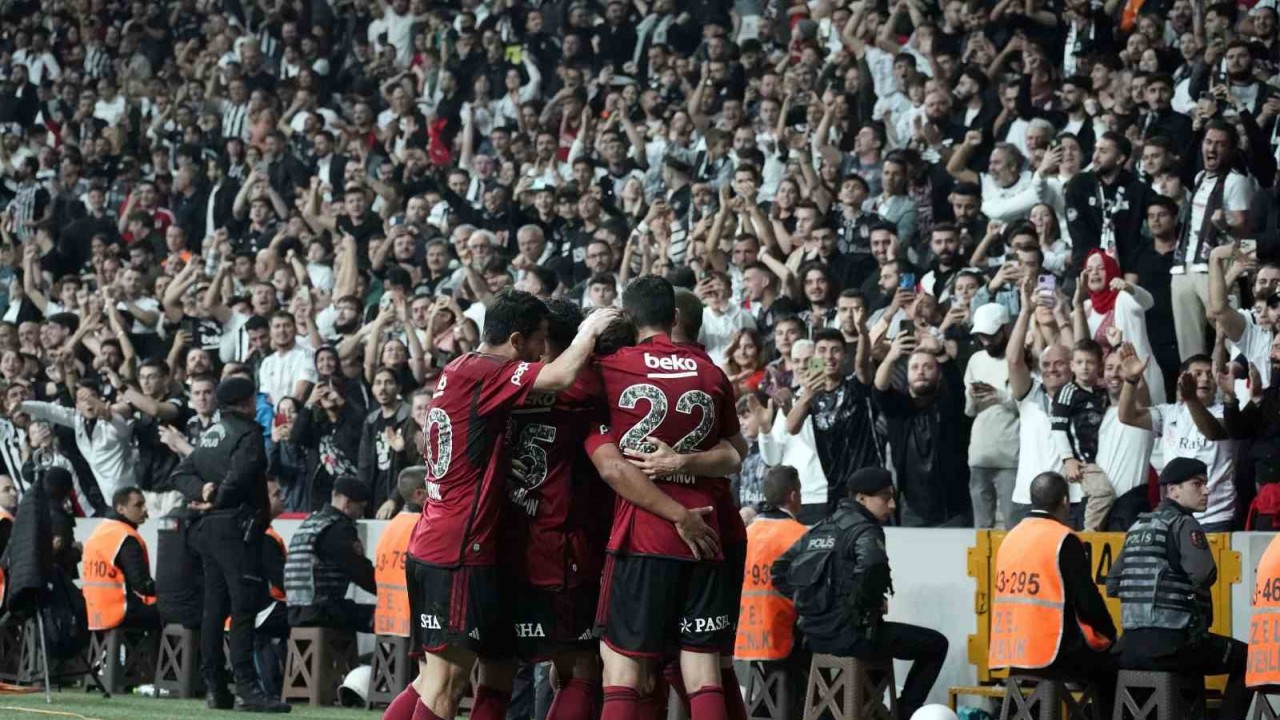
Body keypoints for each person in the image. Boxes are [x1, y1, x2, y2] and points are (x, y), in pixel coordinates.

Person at [389, 291, 618, 720]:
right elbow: (563, 376)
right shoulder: (492, 373)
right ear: (517, 340)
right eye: (536, 343)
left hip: (442, 540)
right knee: (445, 686)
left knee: (449, 677)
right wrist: (589, 331)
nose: (537, 356)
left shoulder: (457, 368)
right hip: (462, 548)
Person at [587, 275, 742, 720]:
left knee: (623, 670)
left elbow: (612, 466)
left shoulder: (610, 369)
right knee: (703, 670)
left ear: (628, 318)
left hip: (644, 538)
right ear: (675, 318)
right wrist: (683, 462)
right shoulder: (711, 371)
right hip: (705, 536)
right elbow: (736, 454)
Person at [772, 468, 948, 719]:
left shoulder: (822, 527)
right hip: (851, 637)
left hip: (815, 636)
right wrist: (865, 603)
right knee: (936, 644)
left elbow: (779, 569)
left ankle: (868, 709)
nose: (892, 505)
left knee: (878, 642)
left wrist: (809, 601)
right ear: (862, 499)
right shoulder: (866, 529)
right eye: (885, 497)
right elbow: (872, 565)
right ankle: (904, 712)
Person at [171, 375, 290, 713]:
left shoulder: (211, 435)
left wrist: (205, 493)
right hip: (237, 527)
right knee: (243, 606)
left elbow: (180, 475)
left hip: (209, 529)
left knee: (215, 607)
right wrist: (220, 497)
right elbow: (242, 473)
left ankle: (216, 687)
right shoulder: (248, 432)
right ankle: (248, 688)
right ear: (248, 401)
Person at [1106, 458, 1249, 719]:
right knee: (1248, 659)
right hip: (1173, 648)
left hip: (1130, 650)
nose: (1206, 490)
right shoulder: (1185, 524)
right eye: (1197, 484)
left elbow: (1113, 585)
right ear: (1173, 491)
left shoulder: (1137, 528)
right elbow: (1204, 574)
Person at [989, 472, 1116, 713]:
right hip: (1053, 652)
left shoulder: (1011, 537)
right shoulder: (1061, 539)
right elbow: (1087, 600)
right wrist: (1110, 634)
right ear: (1066, 501)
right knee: (1113, 668)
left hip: (1013, 655)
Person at [733, 466, 809, 719]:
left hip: (745, 635)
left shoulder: (746, 533)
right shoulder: (801, 535)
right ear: (794, 496)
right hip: (785, 634)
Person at [283, 475, 375, 630]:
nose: (361, 514)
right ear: (347, 503)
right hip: (322, 611)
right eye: (360, 508)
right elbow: (361, 573)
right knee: (384, 616)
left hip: (294, 612)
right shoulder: (339, 529)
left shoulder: (309, 524)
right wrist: (390, 591)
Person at [1051, 340, 1114, 531]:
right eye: (1079, 362)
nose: (1084, 367)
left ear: (1099, 366)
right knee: (1104, 493)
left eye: (1090, 362)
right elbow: (1058, 429)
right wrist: (1068, 459)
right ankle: (1089, 535)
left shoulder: (1103, 393)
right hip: (1081, 462)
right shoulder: (1067, 392)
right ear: (1071, 366)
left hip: (1100, 460)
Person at [82, 485, 159, 631]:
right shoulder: (125, 536)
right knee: (174, 611)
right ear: (120, 509)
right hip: (121, 611)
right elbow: (142, 585)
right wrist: (167, 591)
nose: (144, 510)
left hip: (95, 613)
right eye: (138, 505)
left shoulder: (100, 530)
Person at [373, 467, 425, 639]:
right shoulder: (422, 526)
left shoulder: (390, 527)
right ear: (419, 494)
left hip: (385, 620)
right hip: (414, 623)